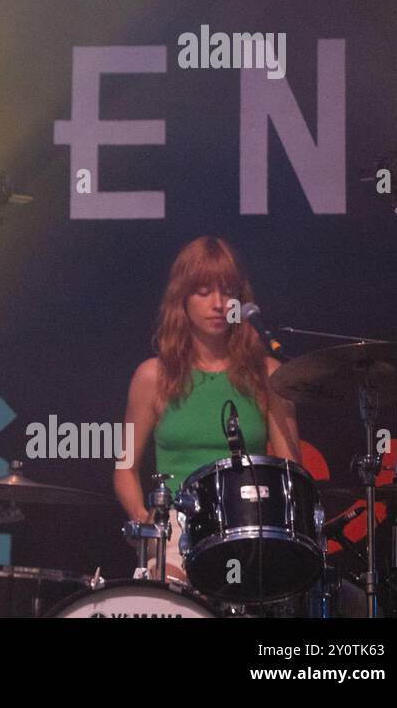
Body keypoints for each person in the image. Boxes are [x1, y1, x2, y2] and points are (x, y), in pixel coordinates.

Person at [113, 236, 301, 581]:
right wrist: (145, 519)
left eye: (227, 291)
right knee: (168, 591)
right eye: (202, 291)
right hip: (175, 527)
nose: (217, 303)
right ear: (181, 301)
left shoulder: (270, 375)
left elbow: (291, 473)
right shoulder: (151, 376)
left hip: (249, 523)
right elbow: (125, 468)